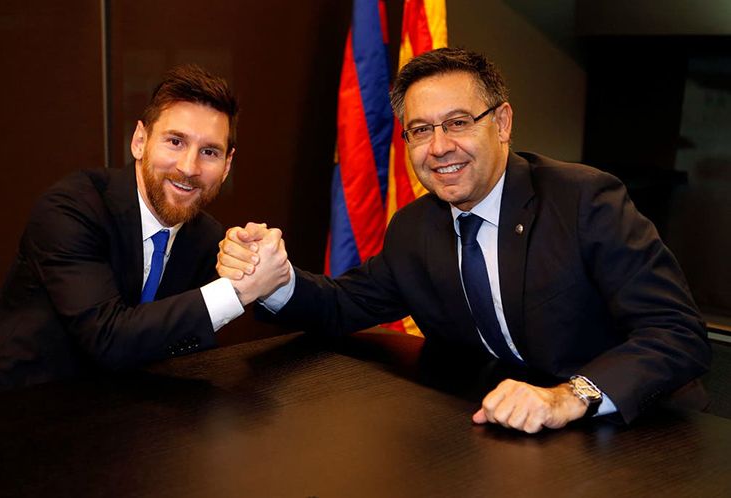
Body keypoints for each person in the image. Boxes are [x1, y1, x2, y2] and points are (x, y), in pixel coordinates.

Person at [217, 48, 711, 433]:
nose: (439, 147)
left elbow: (677, 332)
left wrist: (570, 396)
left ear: (503, 123)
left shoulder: (583, 200)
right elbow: (343, 305)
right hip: (506, 428)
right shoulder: (415, 228)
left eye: (458, 123)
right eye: (420, 130)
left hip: (636, 428)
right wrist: (275, 281)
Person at [0, 65, 289, 394]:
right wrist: (238, 291)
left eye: (209, 152)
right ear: (140, 141)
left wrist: (270, 264)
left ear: (226, 166)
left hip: (128, 411)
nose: (189, 167)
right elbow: (108, 339)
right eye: (175, 141)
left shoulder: (204, 237)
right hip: (19, 406)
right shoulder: (70, 208)